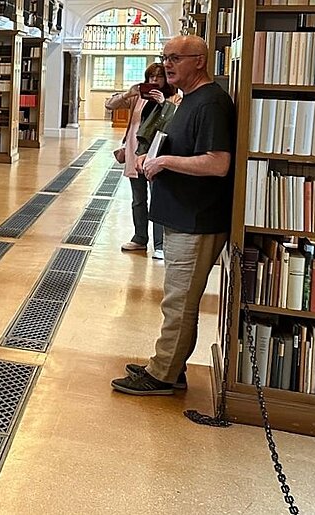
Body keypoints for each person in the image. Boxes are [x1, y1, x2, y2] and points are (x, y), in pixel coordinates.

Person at [112, 35, 234, 396]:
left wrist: (163, 161)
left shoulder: (210, 102)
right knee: (176, 299)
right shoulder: (189, 99)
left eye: (175, 58)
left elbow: (218, 162)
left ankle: (162, 375)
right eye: (165, 57)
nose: (167, 64)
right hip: (183, 214)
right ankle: (170, 364)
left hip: (195, 219)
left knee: (179, 302)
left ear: (199, 60)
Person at [105, 62, 181, 260]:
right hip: (134, 155)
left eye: (159, 77)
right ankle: (140, 238)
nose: (154, 81)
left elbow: (174, 123)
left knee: (158, 200)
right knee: (138, 200)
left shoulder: (175, 99)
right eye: (150, 78)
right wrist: (128, 94)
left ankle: (160, 245)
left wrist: (164, 103)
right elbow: (110, 105)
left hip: (157, 156)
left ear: (166, 79)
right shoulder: (138, 98)